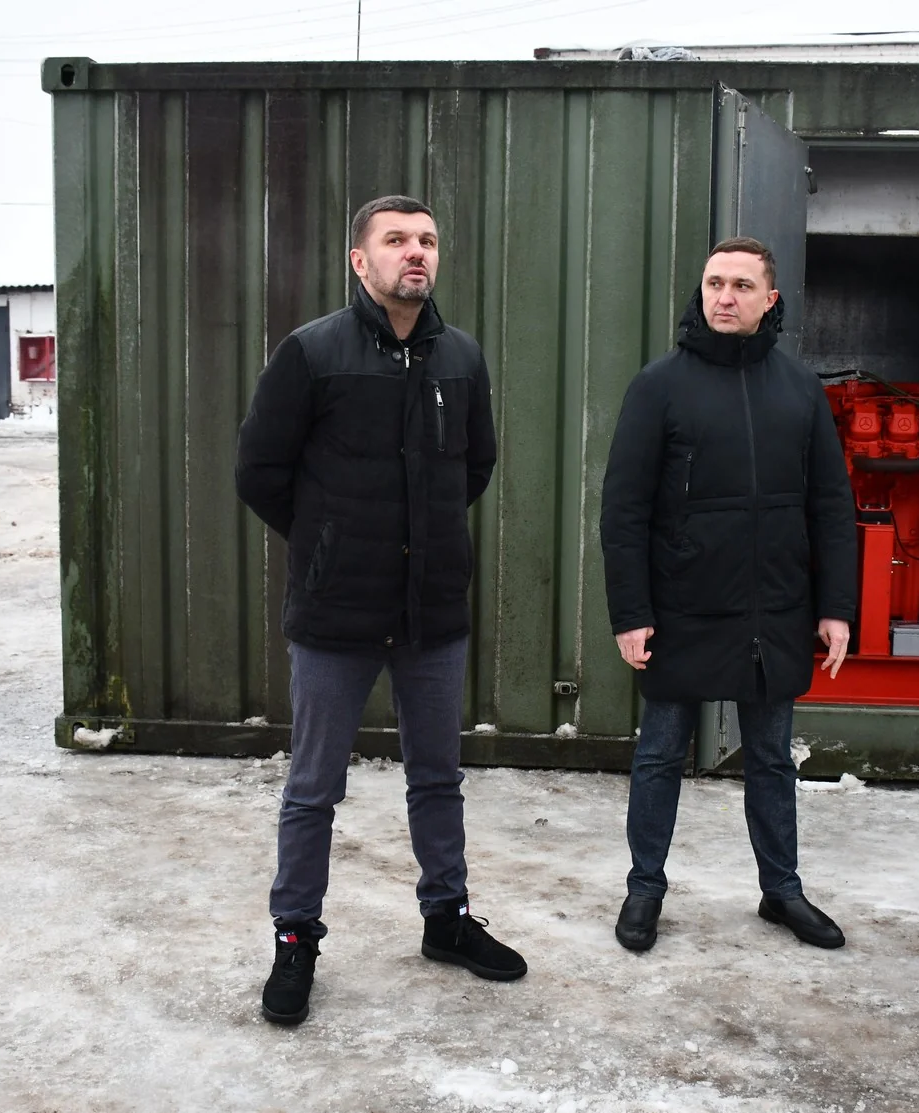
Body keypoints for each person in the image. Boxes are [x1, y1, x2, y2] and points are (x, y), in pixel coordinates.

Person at [235, 195, 525, 1026]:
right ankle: (296, 937)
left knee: (437, 777)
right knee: (313, 786)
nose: (416, 252)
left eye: (427, 239)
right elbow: (259, 470)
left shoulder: (460, 357)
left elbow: (476, 466)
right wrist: (328, 540)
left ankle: (447, 917)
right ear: (360, 261)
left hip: (432, 611)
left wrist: (419, 539)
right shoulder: (312, 353)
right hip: (337, 612)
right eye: (396, 240)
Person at [599, 236, 858, 953]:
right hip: (683, 607)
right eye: (714, 283)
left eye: (742, 286)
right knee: (660, 754)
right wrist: (631, 612)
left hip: (774, 608)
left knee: (771, 757)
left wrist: (836, 606)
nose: (724, 297)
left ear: (769, 300)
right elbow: (624, 510)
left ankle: (782, 890)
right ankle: (644, 888)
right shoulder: (659, 385)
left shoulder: (799, 389)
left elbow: (831, 507)